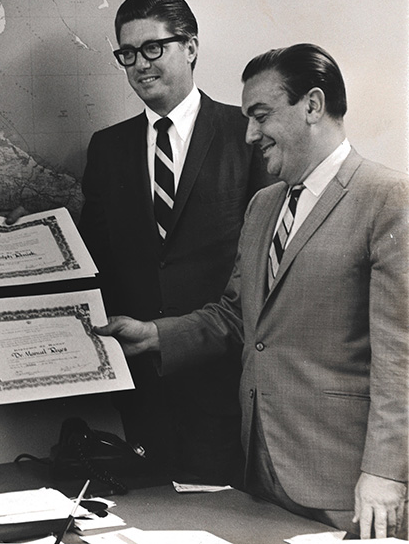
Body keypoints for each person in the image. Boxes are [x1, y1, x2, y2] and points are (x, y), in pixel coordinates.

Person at [95, 43, 408, 539]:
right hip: (257, 474)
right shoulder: (264, 205)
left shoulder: (390, 198)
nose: (249, 134)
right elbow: (238, 317)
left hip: (347, 486)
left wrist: (386, 475)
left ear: (312, 105)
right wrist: (155, 335)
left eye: (260, 116)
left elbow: (402, 358)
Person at [78, 0, 271, 484]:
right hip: (141, 384)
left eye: (153, 48)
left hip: (227, 378)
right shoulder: (107, 148)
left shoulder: (247, 134)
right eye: (127, 53)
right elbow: (93, 254)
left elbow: (270, 259)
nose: (139, 64)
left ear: (190, 47)